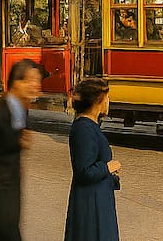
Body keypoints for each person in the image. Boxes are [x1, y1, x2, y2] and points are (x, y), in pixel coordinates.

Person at [0, 59, 42, 241]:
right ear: (16, 82)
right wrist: (18, 141)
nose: (36, 85)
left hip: (11, 184)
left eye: (37, 80)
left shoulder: (21, 108)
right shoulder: (0, 112)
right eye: (30, 80)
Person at [64, 77, 120, 241]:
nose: (109, 101)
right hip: (90, 203)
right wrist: (108, 167)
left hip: (98, 198)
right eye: (107, 97)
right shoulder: (83, 128)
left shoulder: (90, 126)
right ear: (98, 100)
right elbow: (84, 171)